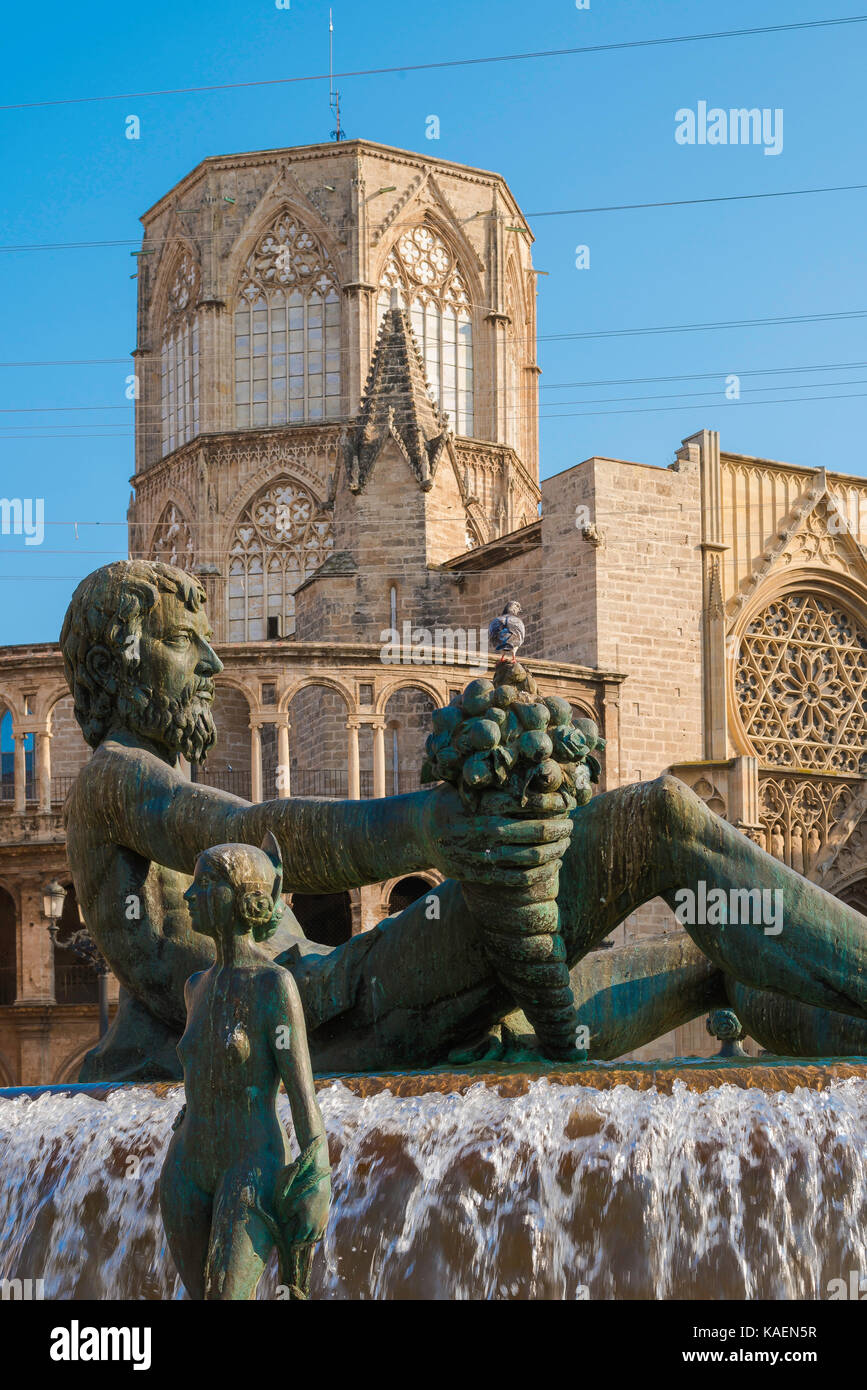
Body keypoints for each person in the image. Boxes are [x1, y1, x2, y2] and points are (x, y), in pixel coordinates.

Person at [159, 834, 330, 1300]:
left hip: (250, 1164)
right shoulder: (196, 986)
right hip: (185, 1167)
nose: (190, 896)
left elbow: (301, 1091)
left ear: (245, 899)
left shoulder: (274, 985)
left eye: (206, 883)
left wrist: (318, 1177)